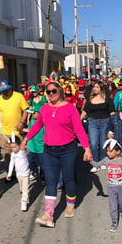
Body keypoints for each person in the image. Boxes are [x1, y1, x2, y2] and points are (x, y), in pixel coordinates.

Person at [21, 81, 93, 228]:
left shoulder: (70, 108)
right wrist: (26, 139)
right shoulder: (45, 109)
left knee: (68, 178)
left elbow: (79, 129)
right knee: (51, 181)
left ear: (60, 92)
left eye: (54, 91)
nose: (51, 94)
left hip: (68, 149)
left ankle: (70, 204)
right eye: (48, 92)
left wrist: (86, 148)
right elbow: (37, 125)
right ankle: (49, 215)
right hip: (49, 150)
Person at [90, 139, 122, 232]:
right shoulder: (106, 160)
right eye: (107, 151)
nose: (108, 153)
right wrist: (90, 160)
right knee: (113, 206)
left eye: (110, 151)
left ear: (118, 151)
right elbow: (97, 164)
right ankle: (114, 223)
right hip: (111, 188)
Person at [0, 80, 28, 177]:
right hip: (4, 132)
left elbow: (25, 110)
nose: (4, 92)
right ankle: (11, 173)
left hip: (17, 132)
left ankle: (22, 172)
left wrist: (22, 122)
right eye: (2, 90)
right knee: (6, 154)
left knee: (20, 153)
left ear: (10, 87)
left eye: (6, 90)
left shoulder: (19, 96)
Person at [80, 81, 115, 168]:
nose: (95, 89)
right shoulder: (90, 99)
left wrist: (114, 125)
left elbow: (112, 113)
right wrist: (77, 121)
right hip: (93, 122)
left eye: (97, 87)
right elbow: (84, 111)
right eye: (94, 87)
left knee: (103, 143)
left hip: (105, 122)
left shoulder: (107, 99)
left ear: (101, 89)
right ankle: (95, 163)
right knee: (94, 143)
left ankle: (102, 161)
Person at [7, 135, 30, 211]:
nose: (14, 149)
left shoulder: (23, 152)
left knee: (25, 189)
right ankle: (25, 195)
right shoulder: (13, 154)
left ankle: (24, 201)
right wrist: (9, 174)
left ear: (19, 145)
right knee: (21, 187)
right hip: (18, 174)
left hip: (26, 174)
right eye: (12, 147)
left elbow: (28, 151)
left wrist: (25, 147)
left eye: (15, 147)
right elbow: (11, 164)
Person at [23, 105, 45, 183]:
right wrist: (21, 129)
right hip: (31, 145)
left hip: (41, 147)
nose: (32, 115)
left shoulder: (43, 122)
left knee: (42, 164)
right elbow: (30, 130)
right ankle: (34, 170)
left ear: (39, 113)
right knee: (29, 160)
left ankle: (43, 176)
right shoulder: (32, 121)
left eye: (34, 113)